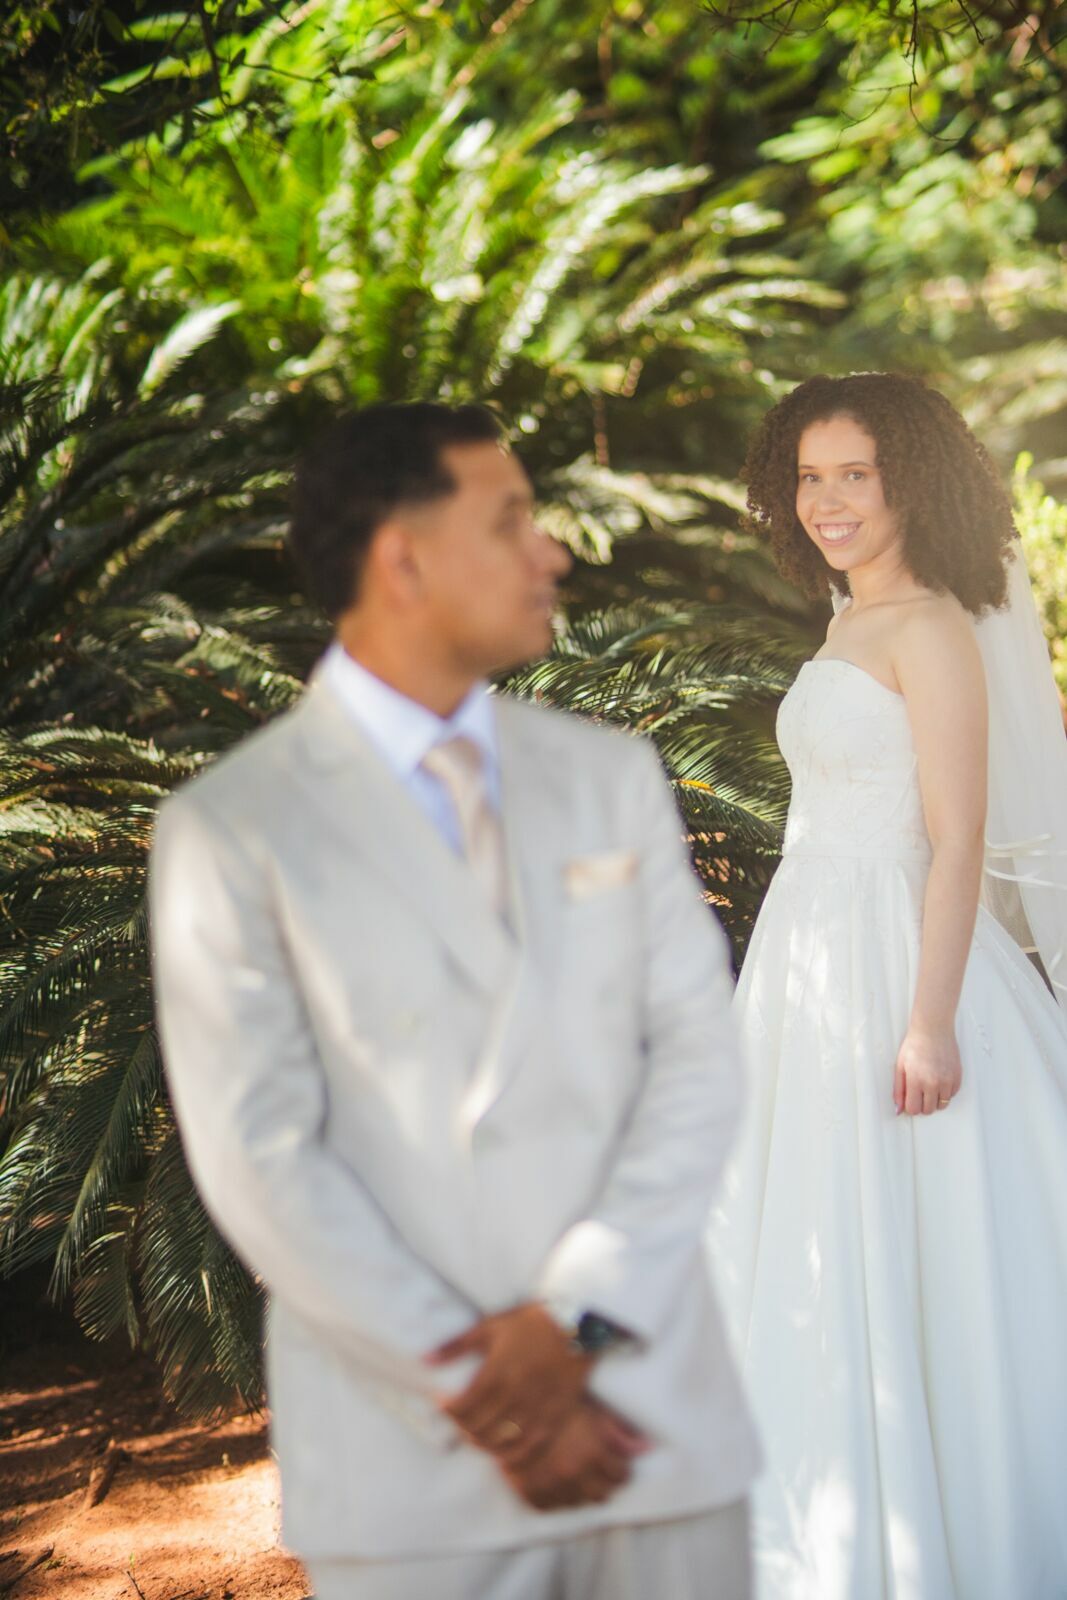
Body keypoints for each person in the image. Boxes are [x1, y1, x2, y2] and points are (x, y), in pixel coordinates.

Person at [150, 402, 760, 1600]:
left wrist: (573, 1324)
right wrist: (493, 1396)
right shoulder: (231, 828)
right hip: (412, 1475)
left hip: (656, 1433)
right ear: (403, 556)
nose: (555, 551)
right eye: (513, 519)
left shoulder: (610, 778)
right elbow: (261, 1157)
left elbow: (695, 1054)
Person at [709, 371, 1067, 1600]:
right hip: (804, 956)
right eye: (808, 476)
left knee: (912, 1236)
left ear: (907, 479)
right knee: (802, 1231)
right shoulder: (844, 616)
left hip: (900, 967)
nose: (827, 499)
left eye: (853, 473)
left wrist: (925, 1023)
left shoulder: (928, 626)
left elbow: (956, 838)